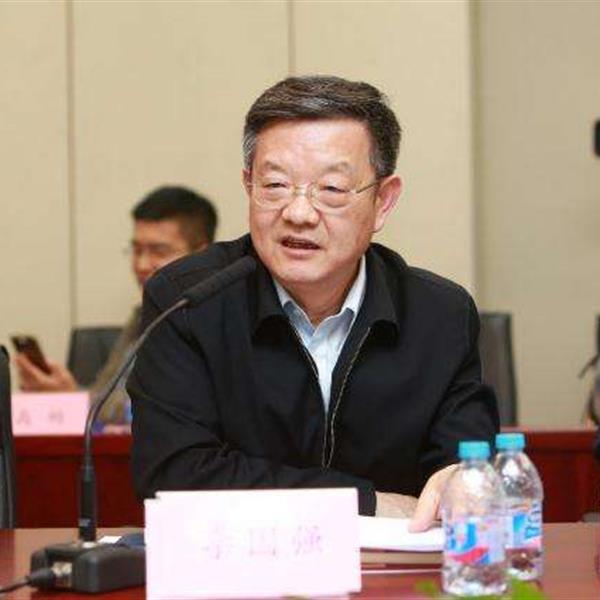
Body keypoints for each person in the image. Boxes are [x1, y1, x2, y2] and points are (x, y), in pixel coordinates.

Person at [128, 76, 498, 530]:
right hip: (240, 565)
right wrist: (366, 503)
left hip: (395, 569)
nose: (298, 213)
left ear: (383, 202)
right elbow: (173, 475)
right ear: (248, 185)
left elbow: (467, 467)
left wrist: (459, 481)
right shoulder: (189, 301)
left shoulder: (439, 314)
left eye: (332, 189)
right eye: (275, 185)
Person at [15, 185, 218, 424]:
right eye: (137, 250)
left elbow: (154, 410)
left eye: (158, 251)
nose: (142, 264)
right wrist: (67, 394)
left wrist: (78, 402)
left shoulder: (214, 323)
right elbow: (105, 399)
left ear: (201, 255)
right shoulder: (143, 315)